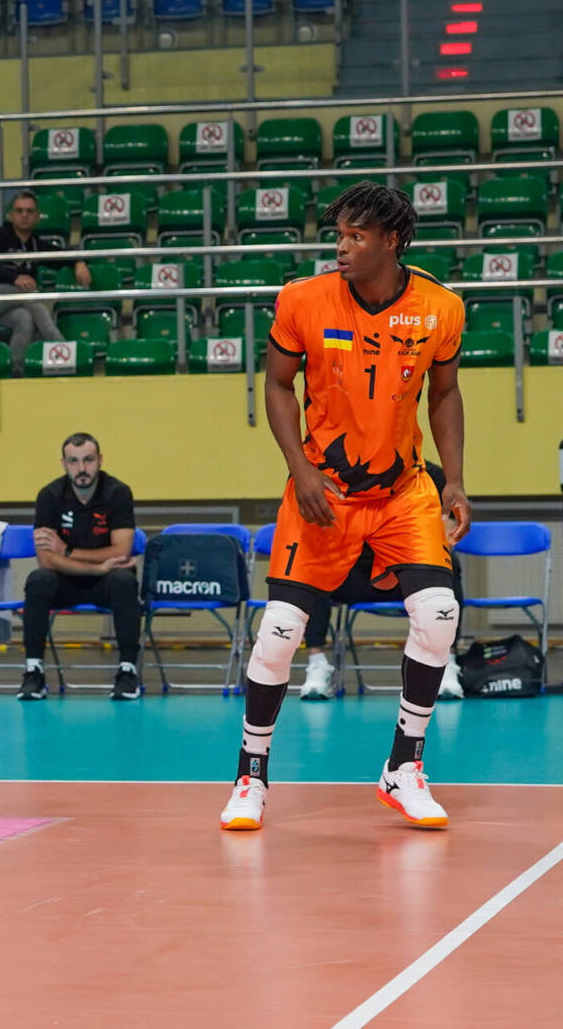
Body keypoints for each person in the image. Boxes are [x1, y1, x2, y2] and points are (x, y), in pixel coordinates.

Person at [220, 181, 469, 833]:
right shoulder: (302, 300)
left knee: (439, 615)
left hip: (403, 491)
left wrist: (455, 481)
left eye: (356, 236)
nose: (342, 247)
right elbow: (277, 383)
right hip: (324, 493)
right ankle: (251, 776)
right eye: (339, 235)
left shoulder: (441, 308)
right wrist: (300, 470)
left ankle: (403, 768)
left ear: (392, 240)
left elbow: (445, 393)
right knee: (279, 632)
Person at [297, 462, 464, 702]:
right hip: (355, 575)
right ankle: (317, 664)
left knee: (448, 563)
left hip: (408, 576)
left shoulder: (431, 476)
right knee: (316, 567)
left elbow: (448, 532)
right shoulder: (338, 474)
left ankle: (445, 662)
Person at [18, 433, 140, 702]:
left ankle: (127, 671)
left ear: (100, 460)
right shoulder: (49, 496)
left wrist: (67, 551)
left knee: (125, 581)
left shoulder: (118, 493)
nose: (82, 468)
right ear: (63, 463)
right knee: (38, 580)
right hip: (67, 582)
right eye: (73, 461)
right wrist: (98, 567)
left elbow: (121, 552)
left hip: (108, 583)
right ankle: (34, 672)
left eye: (88, 460)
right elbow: (46, 560)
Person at [0, 189, 92, 374]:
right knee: (30, 296)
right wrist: (14, 277)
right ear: (11, 215)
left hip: (5, 308)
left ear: (37, 217)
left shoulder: (35, 244)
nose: (24, 215)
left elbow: (57, 255)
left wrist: (78, 261)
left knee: (25, 318)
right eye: (19, 211)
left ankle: (15, 371)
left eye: (29, 211)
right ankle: (62, 348)